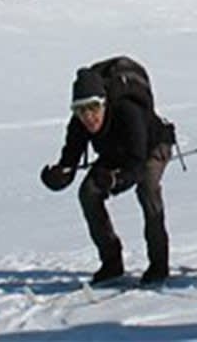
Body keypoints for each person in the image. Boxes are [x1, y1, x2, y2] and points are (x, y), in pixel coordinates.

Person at [40, 65, 175, 285]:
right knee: (88, 193)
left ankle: (159, 264)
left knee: (147, 190)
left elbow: (138, 164)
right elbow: (70, 159)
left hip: (152, 147)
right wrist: (60, 176)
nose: (88, 116)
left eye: (93, 107)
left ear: (104, 102)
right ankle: (111, 262)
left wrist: (116, 180)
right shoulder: (79, 124)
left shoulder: (128, 111)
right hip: (116, 153)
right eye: (80, 109)